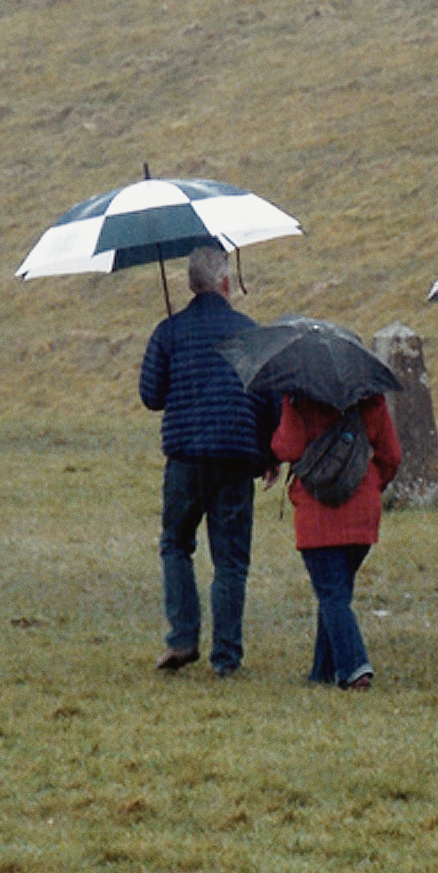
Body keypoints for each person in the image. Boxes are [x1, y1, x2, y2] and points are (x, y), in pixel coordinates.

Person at [138, 245, 275, 676]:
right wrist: (270, 454)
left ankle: (182, 638)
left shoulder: (169, 332)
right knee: (230, 561)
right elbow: (268, 399)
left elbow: (151, 396)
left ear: (190, 285)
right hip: (235, 457)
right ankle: (226, 657)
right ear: (225, 283)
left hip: (184, 458)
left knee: (176, 545)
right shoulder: (249, 332)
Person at [270, 392, 402, 690]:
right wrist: (371, 485)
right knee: (336, 591)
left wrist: (277, 435)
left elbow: (288, 447)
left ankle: (354, 667)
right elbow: (392, 455)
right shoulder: (371, 398)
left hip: (318, 513)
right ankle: (322, 670)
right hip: (363, 509)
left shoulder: (298, 397)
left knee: (332, 594)